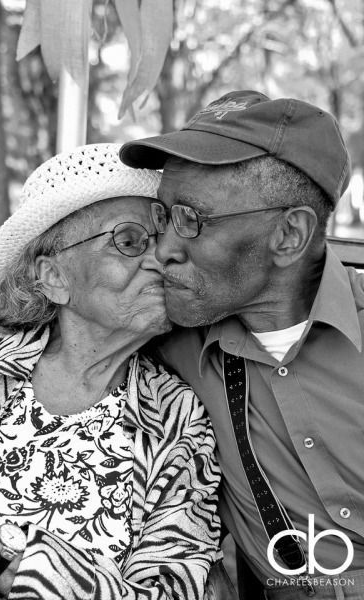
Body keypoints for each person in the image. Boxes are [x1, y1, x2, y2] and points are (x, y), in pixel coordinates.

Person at [119, 90, 364, 600]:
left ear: (289, 235)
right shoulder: (165, 334)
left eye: (193, 218)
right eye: (161, 216)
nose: (163, 250)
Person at [0, 143, 222, 600]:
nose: (161, 259)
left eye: (162, 239)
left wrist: (0, 557)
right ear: (54, 278)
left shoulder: (178, 420)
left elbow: (170, 592)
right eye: (129, 240)